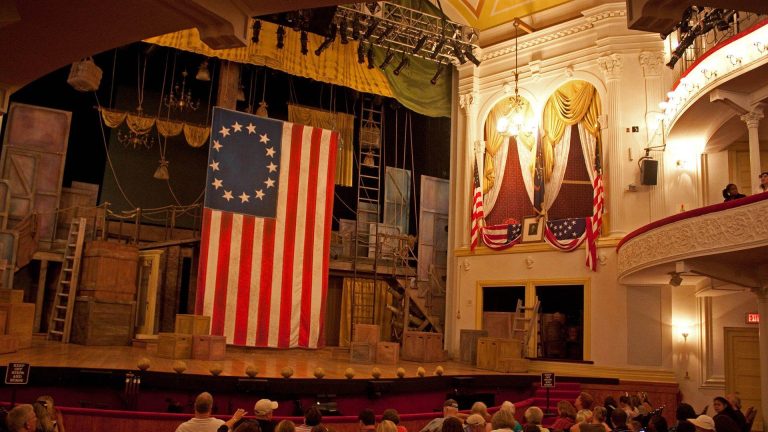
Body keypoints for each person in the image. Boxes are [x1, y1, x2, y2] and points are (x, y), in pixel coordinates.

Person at [176, 392, 244, 432]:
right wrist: (234, 419)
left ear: (194, 406)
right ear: (210, 408)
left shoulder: (182, 428)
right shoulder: (221, 425)